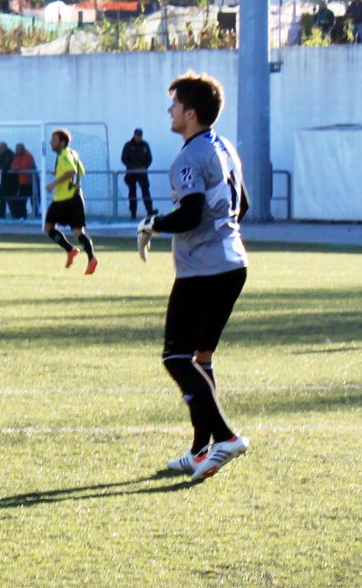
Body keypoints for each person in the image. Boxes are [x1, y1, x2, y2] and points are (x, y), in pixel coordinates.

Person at [136, 71, 250, 483]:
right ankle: (202, 450)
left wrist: (153, 224)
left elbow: (190, 214)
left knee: (175, 357)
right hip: (232, 264)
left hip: (205, 269)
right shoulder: (225, 147)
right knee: (201, 359)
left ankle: (226, 438)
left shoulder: (189, 157)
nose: (170, 109)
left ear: (191, 113)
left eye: (176, 104)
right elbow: (243, 205)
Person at [43, 130, 97, 275]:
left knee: (48, 228)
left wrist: (54, 183)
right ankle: (91, 258)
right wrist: (59, 174)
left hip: (63, 199)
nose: (51, 142)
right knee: (78, 232)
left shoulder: (64, 155)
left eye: (54, 140)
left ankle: (70, 249)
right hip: (76, 197)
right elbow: (79, 171)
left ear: (62, 143)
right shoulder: (73, 153)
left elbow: (72, 172)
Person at [121, 127, 156, 219]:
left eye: (140, 136)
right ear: (134, 135)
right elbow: (124, 158)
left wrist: (144, 167)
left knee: (146, 191)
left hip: (142, 173)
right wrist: (133, 167)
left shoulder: (145, 145)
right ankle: (133, 212)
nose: (138, 137)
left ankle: (149, 210)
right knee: (132, 192)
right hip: (131, 173)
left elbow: (149, 158)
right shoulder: (128, 145)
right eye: (137, 135)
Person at [8, 143, 35, 220]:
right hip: (22, 183)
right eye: (16, 149)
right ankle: (23, 217)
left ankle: (36, 216)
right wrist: (17, 167)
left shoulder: (28, 155)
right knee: (22, 201)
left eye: (18, 149)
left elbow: (26, 166)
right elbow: (13, 166)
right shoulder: (17, 156)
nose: (17, 151)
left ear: (23, 149)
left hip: (31, 183)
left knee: (34, 200)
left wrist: (18, 167)